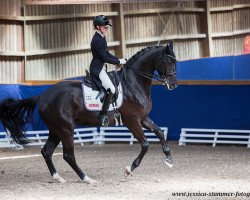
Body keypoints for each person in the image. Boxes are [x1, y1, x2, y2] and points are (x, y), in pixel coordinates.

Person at [90, 15, 126, 127]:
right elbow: (104, 58)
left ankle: (114, 110)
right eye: (104, 27)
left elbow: (107, 53)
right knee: (111, 90)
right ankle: (103, 115)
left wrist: (118, 60)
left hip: (102, 67)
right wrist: (118, 61)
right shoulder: (96, 40)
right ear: (97, 26)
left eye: (107, 27)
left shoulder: (102, 37)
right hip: (97, 69)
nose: (106, 28)